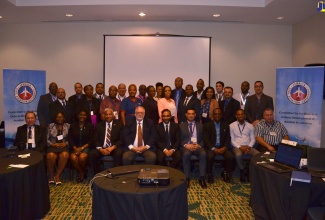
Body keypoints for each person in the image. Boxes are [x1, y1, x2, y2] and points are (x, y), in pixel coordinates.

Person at [203, 108, 235, 183]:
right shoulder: (207, 125)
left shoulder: (226, 125)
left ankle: (225, 172)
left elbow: (228, 138)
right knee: (210, 156)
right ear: (213, 115)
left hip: (222, 147)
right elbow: (206, 139)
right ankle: (209, 173)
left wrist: (224, 147)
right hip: (211, 147)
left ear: (221, 115)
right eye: (215, 114)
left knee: (230, 156)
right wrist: (213, 148)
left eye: (219, 114)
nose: (217, 115)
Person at [88, 108, 124, 175]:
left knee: (119, 152)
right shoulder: (99, 125)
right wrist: (100, 149)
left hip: (113, 148)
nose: (108, 116)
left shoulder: (119, 124)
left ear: (113, 115)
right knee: (92, 154)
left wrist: (112, 147)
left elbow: (121, 140)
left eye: (110, 114)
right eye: (106, 114)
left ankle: (116, 174)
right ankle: (97, 175)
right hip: (102, 148)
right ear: (104, 116)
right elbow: (95, 139)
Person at [180, 108, 207, 188]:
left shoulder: (200, 126)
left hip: (197, 146)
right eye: (189, 114)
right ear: (186, 115)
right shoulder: (181, 126)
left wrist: (199, 145)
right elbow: (178, 139)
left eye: (192, 114)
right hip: (186, 147)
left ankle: (202, 178)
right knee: (186, 154)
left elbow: (204, 139)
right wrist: (185, 145)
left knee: (203, 154)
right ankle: (187, 178)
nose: (191, 115)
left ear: (195, 115)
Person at [230, 109, 259, 182]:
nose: (240, 116)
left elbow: (253, 139)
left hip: (248, 146)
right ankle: (242, 170)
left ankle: (250, 171)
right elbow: (232, 140)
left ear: (245, 116)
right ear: (236, 116)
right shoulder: (231, 126)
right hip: (237, 146)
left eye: (242, 114)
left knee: (258, 155)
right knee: (238, 155)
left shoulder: (250, 126)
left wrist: (249, 147)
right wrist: (240, 147)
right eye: (238, 114)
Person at [68, 110, 94, 182]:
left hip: (86, 147)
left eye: (84, 115)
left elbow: (91, 140)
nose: (82, 116)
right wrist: (75, 148)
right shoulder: (73, 125)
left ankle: (81, 172)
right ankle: (82, 172)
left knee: (82, 157)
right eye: (80, 115)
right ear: (77, 116)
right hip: (75, 147)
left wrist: (82, 148)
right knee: (73, 157)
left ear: (86, 116)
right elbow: (70, 138)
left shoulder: (90, 126)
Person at [46, 112, 70, 185]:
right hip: (52, 146)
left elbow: (72, 138)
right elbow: (45, 138)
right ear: (55, 118)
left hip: (64, 146)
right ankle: (51, 176)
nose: (60, 118)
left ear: (64, 118)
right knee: (51, 156)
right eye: (58, 117)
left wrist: (66, 143)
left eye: (61, 117)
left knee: (65, 155)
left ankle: (57, 176)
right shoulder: (51, 126)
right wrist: (52, 144)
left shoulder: (68, 126)